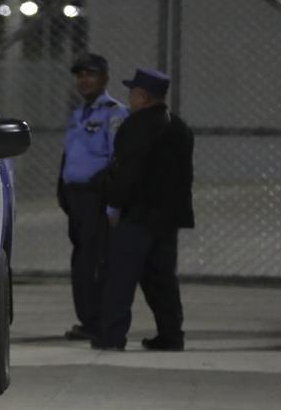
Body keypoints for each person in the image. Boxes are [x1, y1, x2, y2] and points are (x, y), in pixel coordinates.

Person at [92, 68, 195, 351]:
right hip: (167, 219)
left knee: (120, 278)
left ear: (143, 96)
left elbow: (127, 173)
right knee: (161, 279)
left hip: (136, 216)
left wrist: (114, 206)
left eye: (133, 93)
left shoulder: (134, 126)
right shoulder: (179, 128)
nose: (130, 98)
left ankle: (112, 337)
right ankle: (171, 335)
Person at [57, 53, 128, 342]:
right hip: (77, 199)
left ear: (105, 79)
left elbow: (118, 160)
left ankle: (98, 321)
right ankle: (88, 318)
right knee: (82, 260)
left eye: (91, 74)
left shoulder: (114, 114)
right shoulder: (80, 113)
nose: (84, 80)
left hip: (96, 197)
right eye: (80, 75)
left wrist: (110, 201)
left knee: (95, 261)